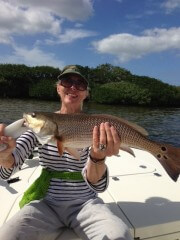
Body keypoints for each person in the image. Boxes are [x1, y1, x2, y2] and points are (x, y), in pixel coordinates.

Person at [0, 65, 132, 240]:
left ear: (86, 93)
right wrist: (4, 154)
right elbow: (8, 168)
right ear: (58, 88)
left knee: (119, 236)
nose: (73, 87)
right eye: (67, 81)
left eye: (80, 84)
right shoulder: (36, 128)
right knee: (7, 236)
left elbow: (98, 186)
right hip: (46, 203)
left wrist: (98, 157)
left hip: (86, 204)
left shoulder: (96, 127)